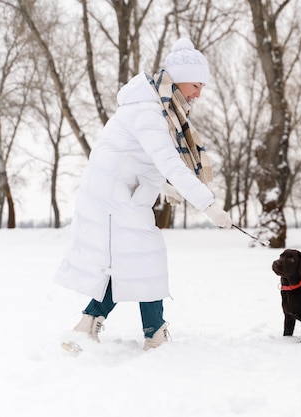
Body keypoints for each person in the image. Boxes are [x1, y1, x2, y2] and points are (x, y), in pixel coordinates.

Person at [55, 38, 232, 351]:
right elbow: (167, 161)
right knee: (143, 257)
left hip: (122, 193)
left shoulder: (159, 107)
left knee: (136, 260)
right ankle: (150, 332)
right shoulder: (148, 110)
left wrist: (165, 187)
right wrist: (209, 205)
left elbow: (137, 156)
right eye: (195, 85)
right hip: (112, 197)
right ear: (177, 79)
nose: (198, 94)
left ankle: (94, 325)